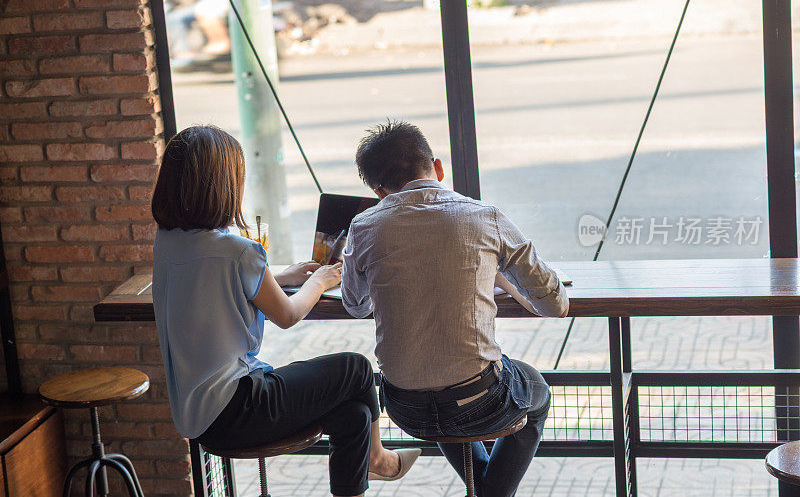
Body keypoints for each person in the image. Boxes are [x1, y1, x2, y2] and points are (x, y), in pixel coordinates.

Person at [151, 125, 419, 497]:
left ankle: (366, 469)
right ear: (223, 185)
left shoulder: (167, 242)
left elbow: (213, 280)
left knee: (353, 416)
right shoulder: (237, 250)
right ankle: (380, 462)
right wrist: (320, 282)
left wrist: (278, 274)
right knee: (355, 369)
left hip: (197, 417)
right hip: (240, 405)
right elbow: (289, 315)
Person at [341, 121, 569, 497]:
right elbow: (555, 304)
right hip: (483, 401)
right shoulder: (485, 217)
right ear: (438, 167)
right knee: (535, 392)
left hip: (403, 406)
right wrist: (491, 272)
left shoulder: (364, 227)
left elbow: (355, 304)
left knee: (444, 389)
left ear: (379, 192)